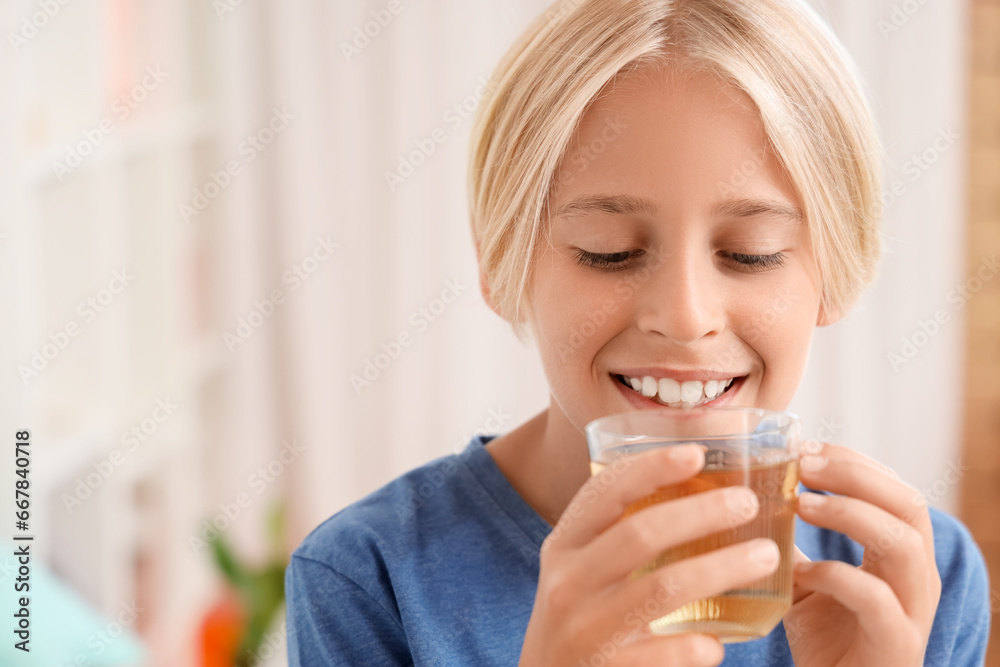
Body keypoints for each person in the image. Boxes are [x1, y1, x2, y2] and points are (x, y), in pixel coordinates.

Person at [285, 0, 992, 664]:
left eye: (751, 253)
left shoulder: (919, 577)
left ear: (835, 266)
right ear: (498, 259)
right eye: (608, 249)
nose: (685, 316)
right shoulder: (368, 579)